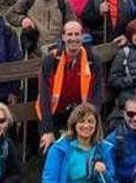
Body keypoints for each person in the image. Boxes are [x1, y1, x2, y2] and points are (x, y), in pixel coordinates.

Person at [40, 103, 126, 183]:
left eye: (91, 121)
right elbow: (49, 182)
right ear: (74, 124)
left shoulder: (104, 149)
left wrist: (103, 173)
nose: (86, 125)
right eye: (81, 121)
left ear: (96, 124)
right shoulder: (59, 148)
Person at [37, 22, 104, 154]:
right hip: (54, 112)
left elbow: (97, 93)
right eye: (69, 34)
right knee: (48, 148)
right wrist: (47, 130)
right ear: (63, 37)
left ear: (82, 36)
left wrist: (91, 120)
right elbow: (44, 96)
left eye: (77, 34)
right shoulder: (51, 60)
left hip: (81, 112)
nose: (73, 38)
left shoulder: (93, 60)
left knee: (86, 148)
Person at [5, 0, 77, 57]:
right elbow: (10, 15)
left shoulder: (64, 3)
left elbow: (73, 25)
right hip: (34, 55)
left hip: (59, 55)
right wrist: (22, 20)